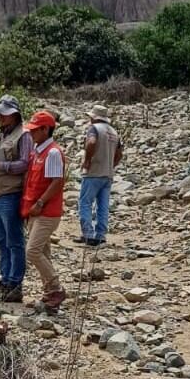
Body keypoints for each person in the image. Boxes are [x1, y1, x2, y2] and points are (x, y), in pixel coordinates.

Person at [0, 94, 34, 302]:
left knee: (14, 240)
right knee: (1, 240)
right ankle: (5, 280)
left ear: (15, 115)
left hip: (11, 193)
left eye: (3, 113)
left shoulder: (24, 135)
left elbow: (25, 164)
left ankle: (15, 284)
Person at [21, 110, 67, 311]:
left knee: (32, 251)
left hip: (46, 211)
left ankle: (56, 288)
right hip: (35, 210)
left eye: (34, 130)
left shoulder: (53, 152)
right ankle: (49, 295)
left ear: (45, 129)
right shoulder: (38, 150)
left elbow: (57, 182)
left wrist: (40, 203)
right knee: (43, 253)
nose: (31, 134)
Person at [76, 104, 123, 247]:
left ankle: (88, 234)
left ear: (94, 117)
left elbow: (91, 142)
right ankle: (101, 235)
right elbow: (119, 153)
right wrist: (111, 165)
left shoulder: (94, 129)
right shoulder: (114, 132)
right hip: (107, 174)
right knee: (103, 205)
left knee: (85, 202)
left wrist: (87, 160)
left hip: (93, 172)